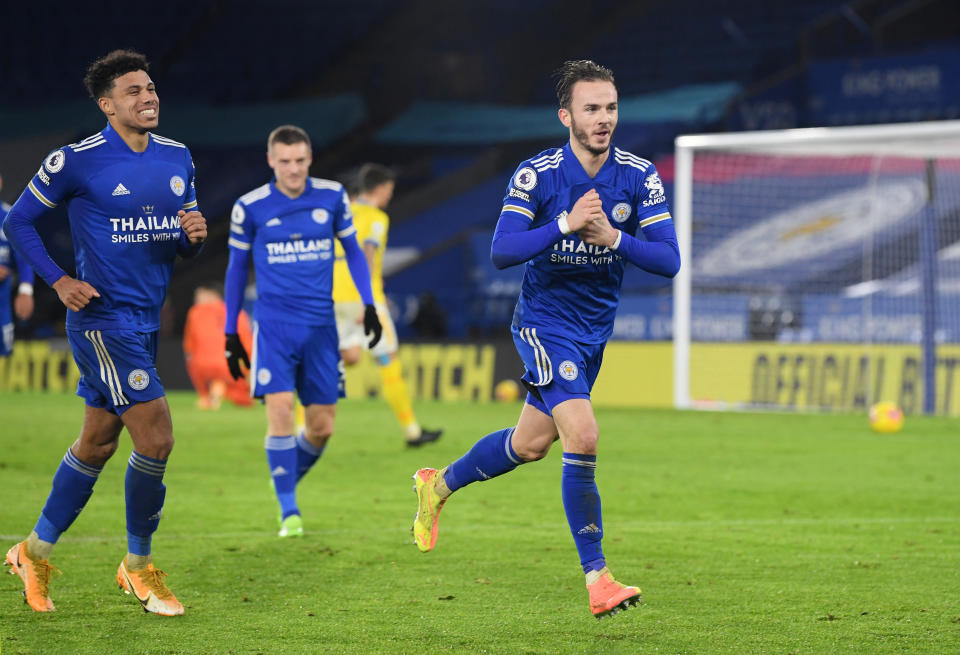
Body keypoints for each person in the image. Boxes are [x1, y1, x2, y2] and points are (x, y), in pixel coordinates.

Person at [411, 60, 681, 620]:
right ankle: (598, 578)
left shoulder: (638, 175)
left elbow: (670, 260)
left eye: (610, 107)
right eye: (591, 109)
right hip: (543, 324)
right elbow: (502, 251)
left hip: (592, 334)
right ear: (567, 116)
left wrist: (612, 238)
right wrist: (562, 225)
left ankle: (437, 484)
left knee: (530, 444)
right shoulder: (538, 176)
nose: (603, 119)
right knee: (582, 434)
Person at [2, 50, 206, 616]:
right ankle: (138, 568)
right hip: (101, 321)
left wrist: (193, 235)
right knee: (157, 436)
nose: (149, 97)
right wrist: (58, 280)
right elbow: (17, 219)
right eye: (135, 91)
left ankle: (32, 551)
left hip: (143, 322)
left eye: (152, 88)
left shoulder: (178, 157)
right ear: (107, 104)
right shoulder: (76, 160)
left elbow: (183, 243)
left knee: (97, 442)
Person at [223, 125, 382, 538]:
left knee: (321, 427)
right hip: (273, 329)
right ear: (271, 161)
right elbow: (237, 270)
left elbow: (353, 252)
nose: (293, 169)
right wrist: (230, 331)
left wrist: (369, 306)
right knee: (278, 412)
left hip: (321, 330)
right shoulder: (250, 207)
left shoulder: (331, 197)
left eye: (299, 161)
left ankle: (284, 477)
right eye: (284, 161)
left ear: (309, 159)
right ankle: (288, 510)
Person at [332, 163, 442, 447]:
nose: (390, 196)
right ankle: (412, 432)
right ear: (379, 189)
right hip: (364, 301)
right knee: (387, 360)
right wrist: (365, 301)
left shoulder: (339, 213)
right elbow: (367, 256)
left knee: (346, 358)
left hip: (332, 299)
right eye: (389, 190)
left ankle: (297, 428)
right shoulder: (376, 218)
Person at [182, 282, 253, 409]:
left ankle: (207, 395)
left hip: (201, 366)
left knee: (194, 361)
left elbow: (189, 346)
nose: (196, 300)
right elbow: (247, 342)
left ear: (213, 295)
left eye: (200, 296)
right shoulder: (237, 312)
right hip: (231, 365)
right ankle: (219, 389)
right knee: (243, 397)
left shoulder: (195, 312)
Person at [1, 175, 36, 355]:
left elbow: (24, 257)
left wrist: (25, 291)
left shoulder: (10, 216)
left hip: (2, 302)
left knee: (4, 350)